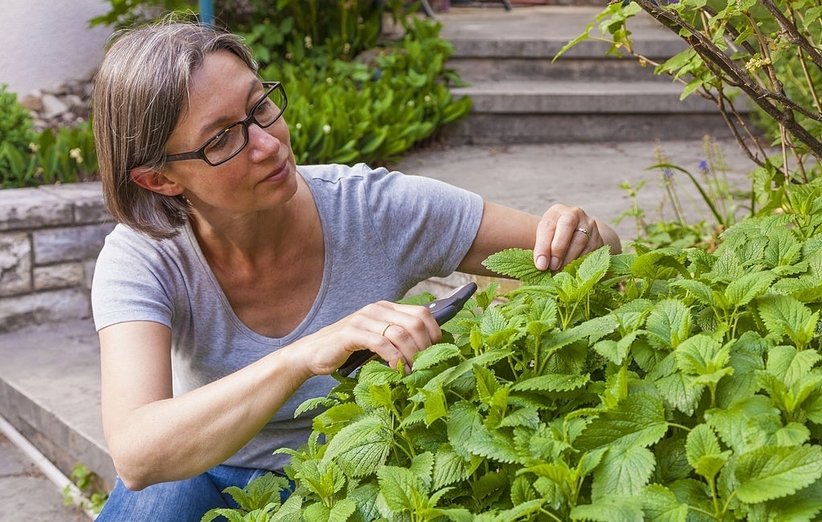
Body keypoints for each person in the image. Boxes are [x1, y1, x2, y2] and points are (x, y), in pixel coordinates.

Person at [90, 20, 621, 521]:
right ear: (160, 180)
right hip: (212, 466)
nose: (270, 144)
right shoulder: (146, 257)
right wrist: (304, 356)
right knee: (156, 498)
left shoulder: (373, 208)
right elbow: (138, 454)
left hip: (359, 462)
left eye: (261, 107)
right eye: (222, 139)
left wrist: (577, 232)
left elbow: (601, 252)